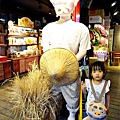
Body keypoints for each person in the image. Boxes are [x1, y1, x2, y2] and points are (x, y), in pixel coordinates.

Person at [42, 0, 91, 120]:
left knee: (72, 93)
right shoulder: (47, 29)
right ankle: (53, 113)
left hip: (70, 70)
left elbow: (83, 51)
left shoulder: (81, 28)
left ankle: (72, 114)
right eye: (57, 3)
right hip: (51, 69)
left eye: (65, 2)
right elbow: (46, 49)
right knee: (52, 94)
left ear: (73, 6)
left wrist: (71, 63)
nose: (61, 6)